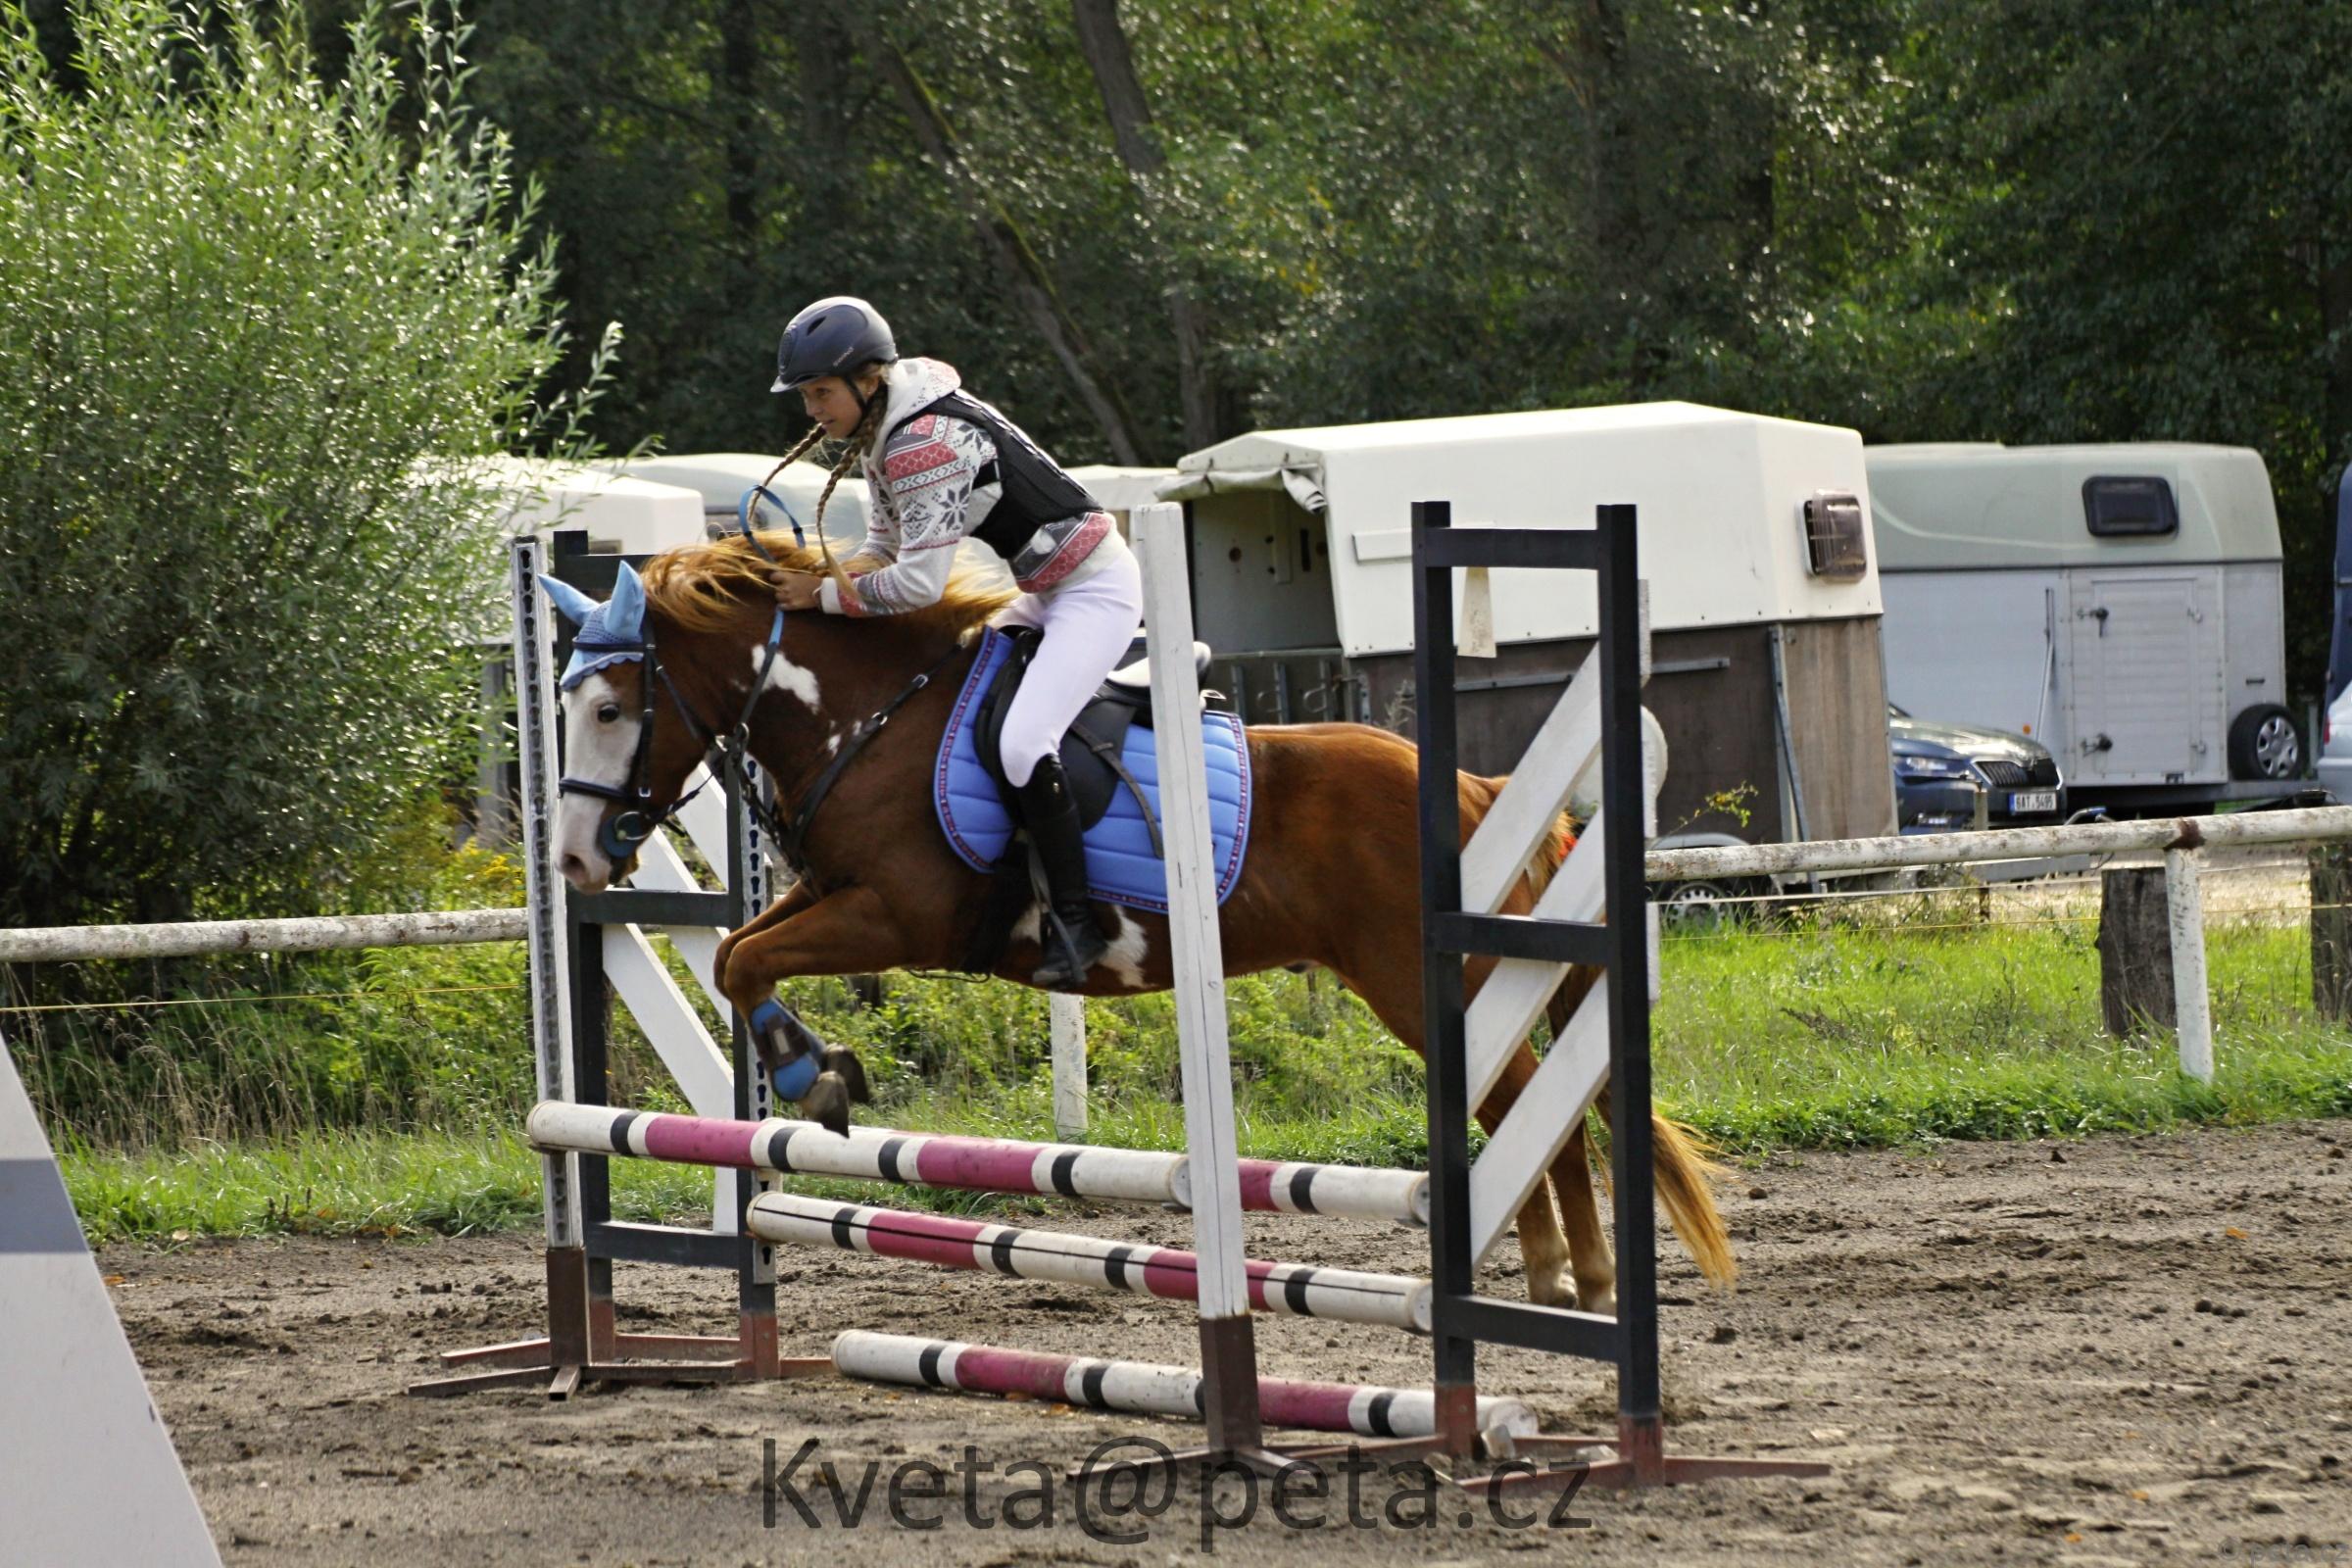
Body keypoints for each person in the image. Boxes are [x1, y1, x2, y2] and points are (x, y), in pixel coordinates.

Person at [765, 295, 1142, 989]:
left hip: (1095, 593)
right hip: (1045, 592)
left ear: (868, 379)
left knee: (1023, 742)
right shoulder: (884, 433)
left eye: (821, 393)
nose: (812, 410)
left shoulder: (923, 443)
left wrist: (820, 597)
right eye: (807, 396)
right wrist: (819, 582)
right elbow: (882, 549)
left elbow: (918, 585)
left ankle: (1079, 921)